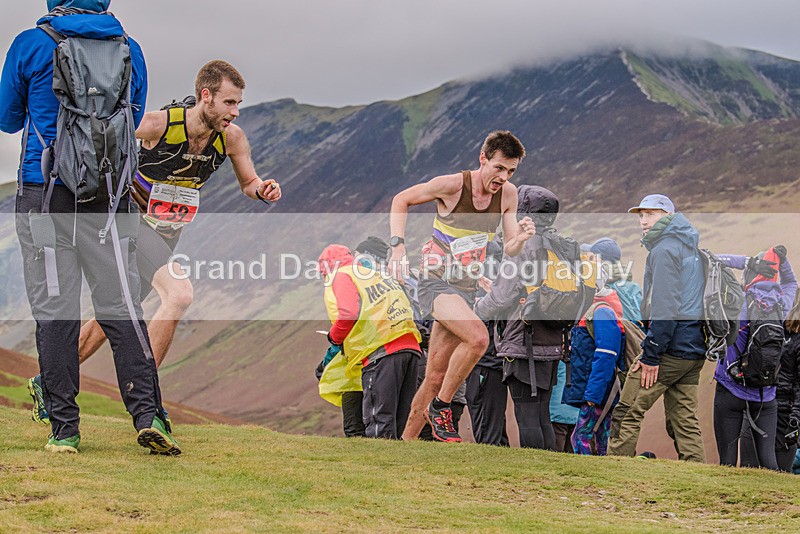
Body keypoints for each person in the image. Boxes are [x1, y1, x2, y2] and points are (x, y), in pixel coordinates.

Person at [26, 60, 282, 425]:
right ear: (205, 97)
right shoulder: (157, 124)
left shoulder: (232, 138)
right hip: (129, 226)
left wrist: (263, 190)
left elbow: (248, 182)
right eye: (228, 103)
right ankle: (148, 397)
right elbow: (101, 147)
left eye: (238, 103)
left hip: (166, 234)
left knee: (114, 316)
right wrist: (117, 187)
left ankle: (47, 382)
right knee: (178, 295)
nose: (235, 112)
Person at [0, 0, 177, 454]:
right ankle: (149, 413)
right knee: (119, 301)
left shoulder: (32, 43)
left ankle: (65, 430)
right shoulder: (128, 48)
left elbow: (8, 119)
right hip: (108, 198)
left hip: (45, 197)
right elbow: (132, 119)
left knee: (55, 307)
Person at [388, 131, 534, 442]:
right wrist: (398, 247)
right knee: (479, 338)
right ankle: (441, 407)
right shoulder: (453, 185)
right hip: (435, 282)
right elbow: (402, 199)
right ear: (483, 159)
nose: (503, 177)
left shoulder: (508, 195)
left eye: (511, 171)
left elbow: (509, 247)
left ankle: (406, 444)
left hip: (465, 288)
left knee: (435, 376)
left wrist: (519, 240)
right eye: (499, 168)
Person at [608, 194, 707, 462]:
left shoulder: (664, 250)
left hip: (669, 351)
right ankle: (698, 478)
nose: (643, 221)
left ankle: (615, 473)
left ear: (668, 216)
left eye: (650, 214)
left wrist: (651, 356)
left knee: (627, 412)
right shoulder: (690, 248)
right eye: (641, 215)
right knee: (684, 421)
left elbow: (666, 307)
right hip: (694, 350)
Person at [475, 185, 567, 450]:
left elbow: (503, 296)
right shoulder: (558, 244)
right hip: (552, 339)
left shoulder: (523, 245)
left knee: (526, 416)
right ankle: (551, 468)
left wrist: (478, 310)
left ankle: (536, 473)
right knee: (542, 415)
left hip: (523, 341)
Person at [319, 244, 422, 439]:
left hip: (382, 350)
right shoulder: (375, 274)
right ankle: (398, 468)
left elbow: (348, 313)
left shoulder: (341, 275)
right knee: (400, 421)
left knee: (379, 422)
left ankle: (381, 467)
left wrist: (334, 337)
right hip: (410, 346)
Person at [713, 246, 796, 470]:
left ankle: (724, 503)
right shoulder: (782, 303)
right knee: (768, 463)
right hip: (766, 394)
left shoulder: (736, 301)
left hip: (730, 389)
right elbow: (791, 283)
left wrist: (747, 261)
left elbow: (711, 261)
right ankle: (776, 502)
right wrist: (782, 261)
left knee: (728, 462)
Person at [562, 274, 625, 455]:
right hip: (596, 389)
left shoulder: (601, 311)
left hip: (599, 391)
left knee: (581, 436)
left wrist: (593, 393)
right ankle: (602, 474)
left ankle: (586, 477)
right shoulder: (593, 311)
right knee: (601, 437)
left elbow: (607, 354)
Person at [581, 237, 643, 326]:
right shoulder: (633, 287)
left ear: (600, 260)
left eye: (591, 258)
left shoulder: (596, 288)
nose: (587, 261)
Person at [550, 361, 579, 452]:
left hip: (557, 409)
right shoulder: (581, 356)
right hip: (576, 409)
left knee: (557, 447)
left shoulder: (557, 359)